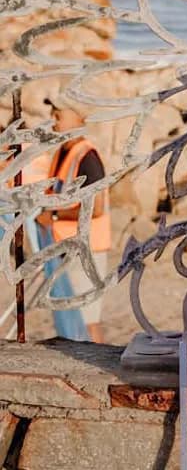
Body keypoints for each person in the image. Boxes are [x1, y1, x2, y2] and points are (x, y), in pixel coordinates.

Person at [29, 97, 111, 343]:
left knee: (87, 320)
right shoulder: (64, 153)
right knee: (71, 319)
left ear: (79, 117)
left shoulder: (87, 156)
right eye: (52, 114)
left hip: (86, 250)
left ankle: (97, 376)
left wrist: (53, 214)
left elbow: (95, 208)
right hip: (66, 246)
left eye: (59, 114)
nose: (54, 120)